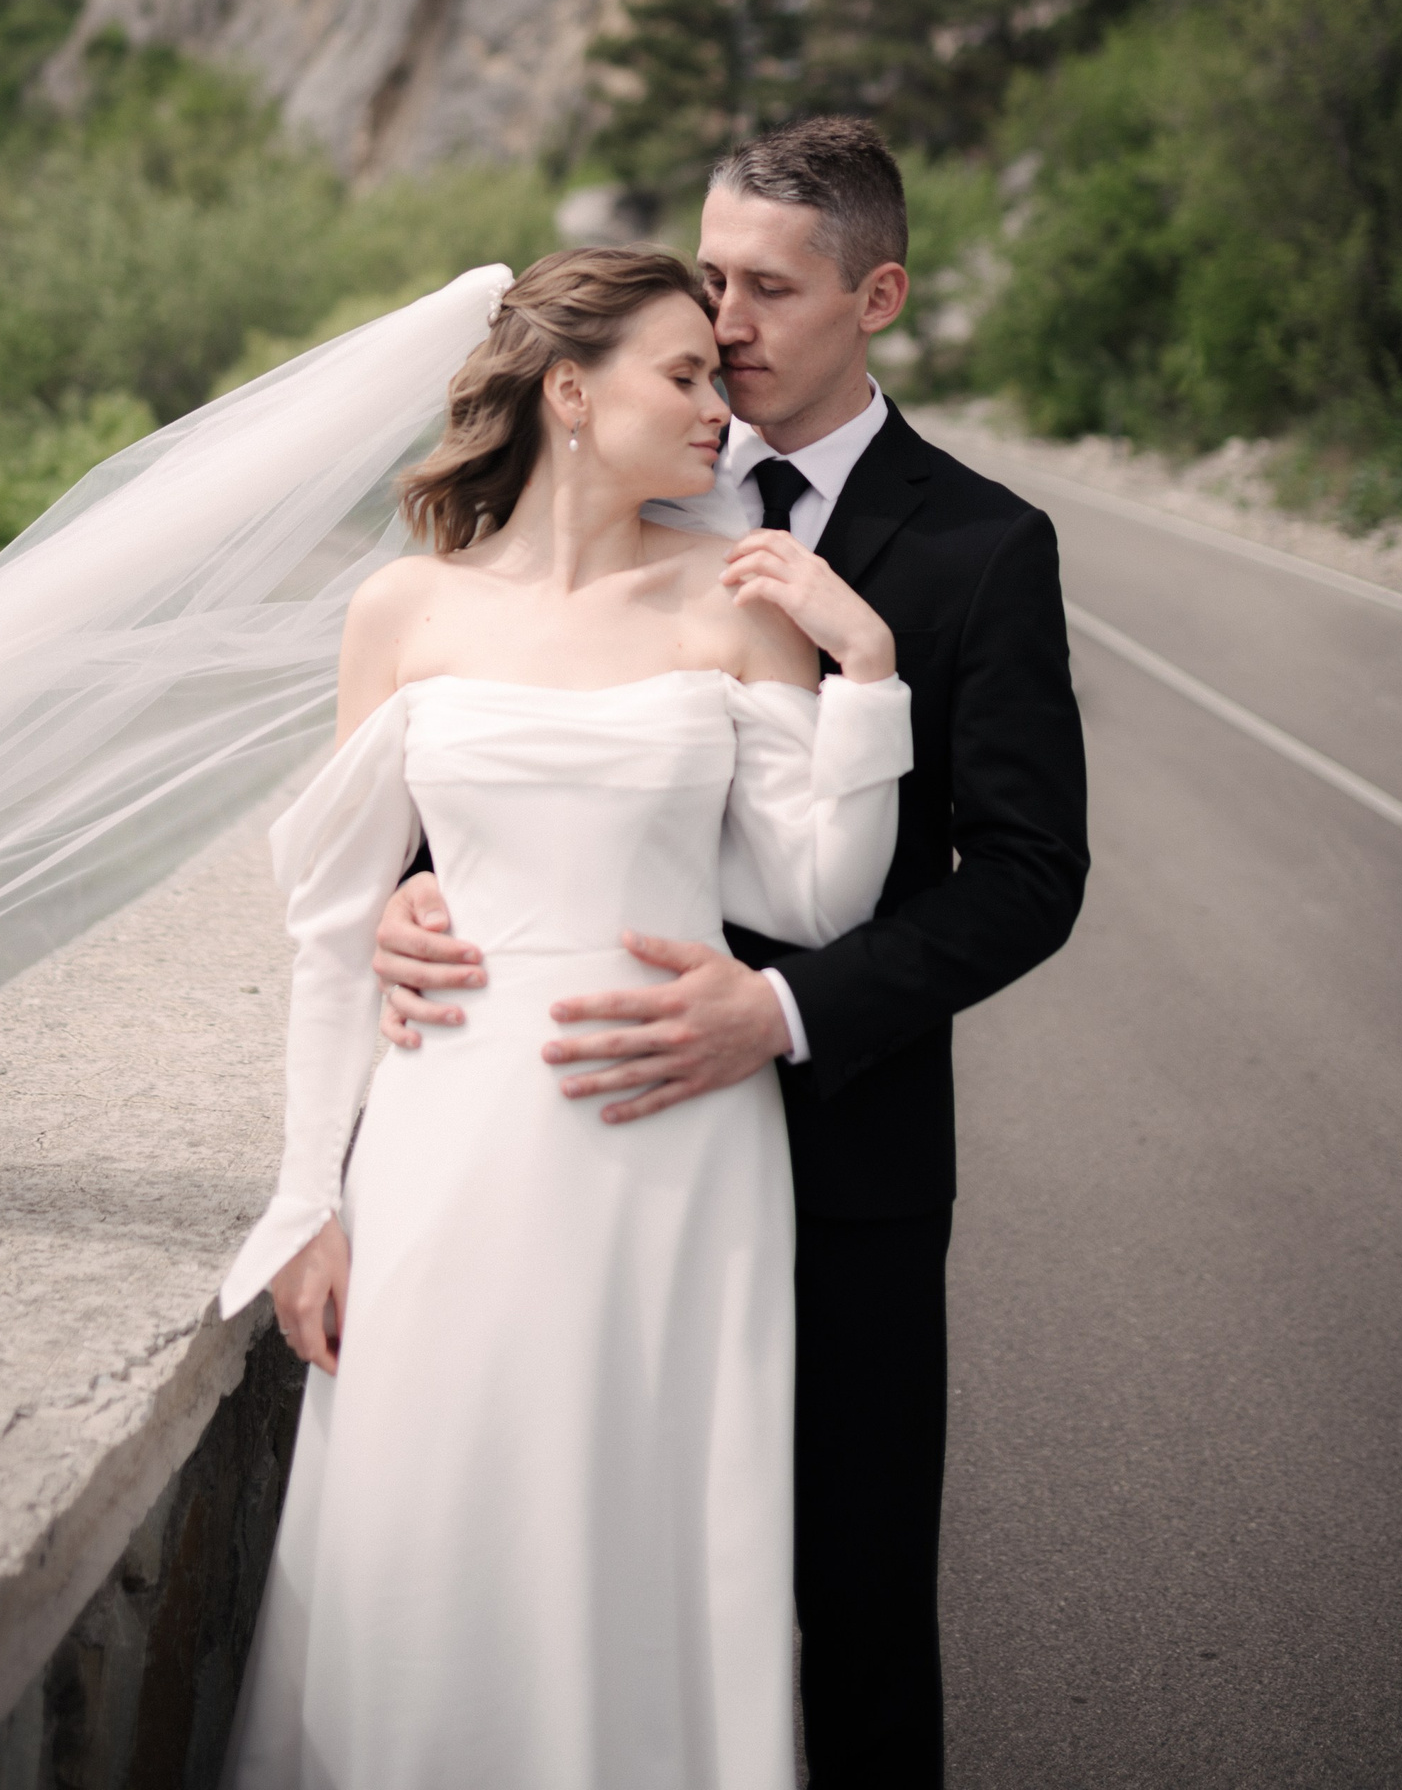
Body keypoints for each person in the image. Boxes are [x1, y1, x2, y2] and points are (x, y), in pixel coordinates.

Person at [376, 117, 1089, 1790]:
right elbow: (494, 720)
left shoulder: (984, 548)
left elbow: (1030, 876)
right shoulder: (640, 474)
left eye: (770, 287)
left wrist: (781, 1010)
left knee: (853, 1603)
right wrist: (412, 888)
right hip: (577, 1150)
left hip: (843, 1153)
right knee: (575, 1569)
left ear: (878, 298)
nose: (728, 320)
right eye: (711, 279)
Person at [216, 244, 915, 1790]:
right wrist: (308, 1201)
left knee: (648, 1529)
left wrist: (866, 667)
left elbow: (818, 898)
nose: (720, 410)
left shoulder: (740, 601)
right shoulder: (405, 611)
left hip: (680, 1151)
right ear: (570, 393)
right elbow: (334, 933)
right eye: (685, 375)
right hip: (450, 1140)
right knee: (434, 1512)